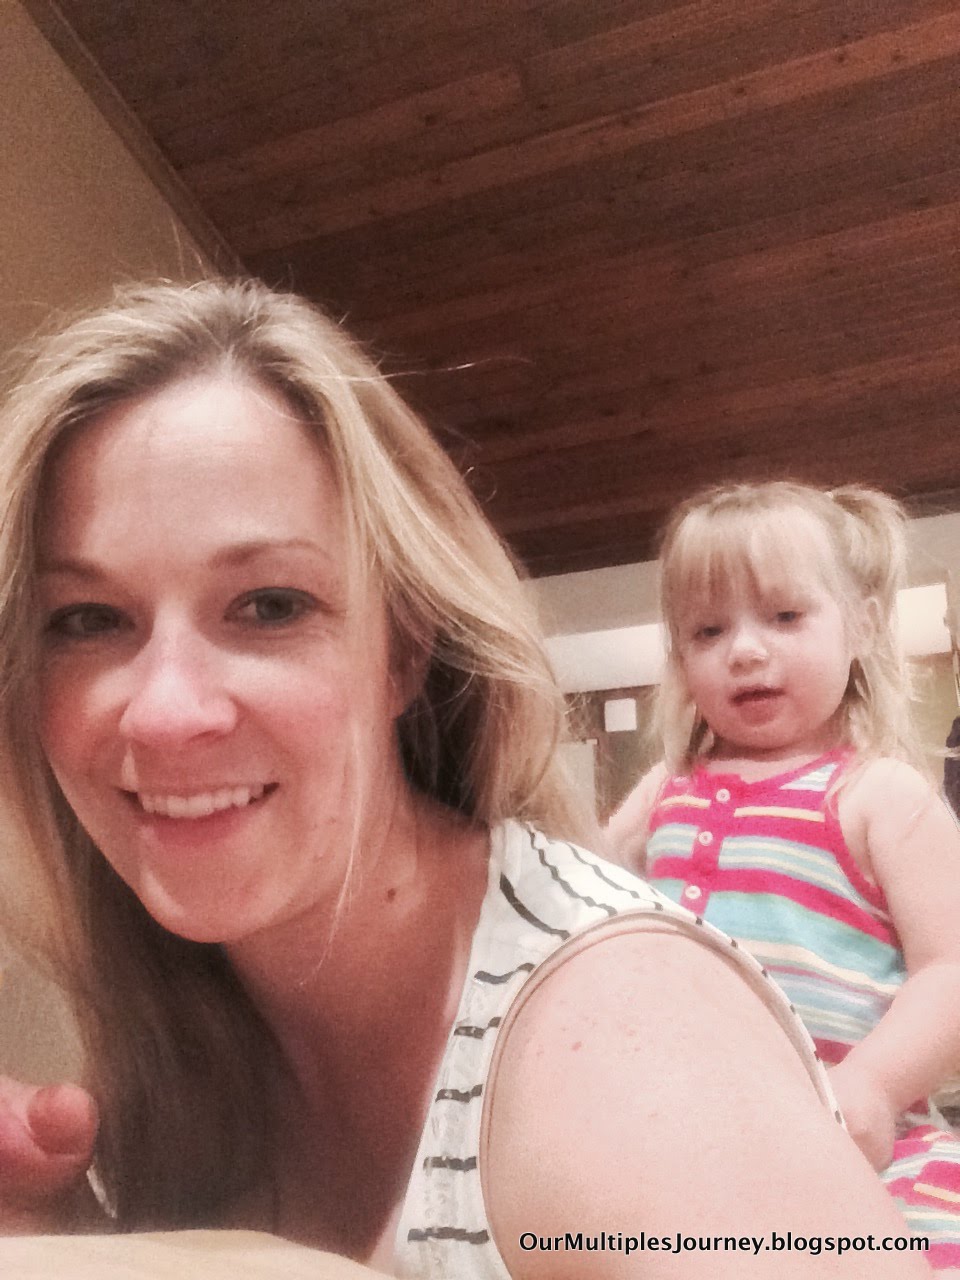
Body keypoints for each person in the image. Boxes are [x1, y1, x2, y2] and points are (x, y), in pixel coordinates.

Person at [0, 282, 932, 1279]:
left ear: (405, 647)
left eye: (269, 605)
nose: (164, 711)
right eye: (87, 620)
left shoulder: (623, 1045)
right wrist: (65, 1236)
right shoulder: (170, 1032)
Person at [607, 480, 960, 1272]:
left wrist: (873, 1085)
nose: (744, 650)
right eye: (708, 630)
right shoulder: (665, 789)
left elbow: (950, 969)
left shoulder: (878, 794)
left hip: (856, 1144)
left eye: (785, 616)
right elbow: (576, 888)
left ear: (861, 625)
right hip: (683, 1149)